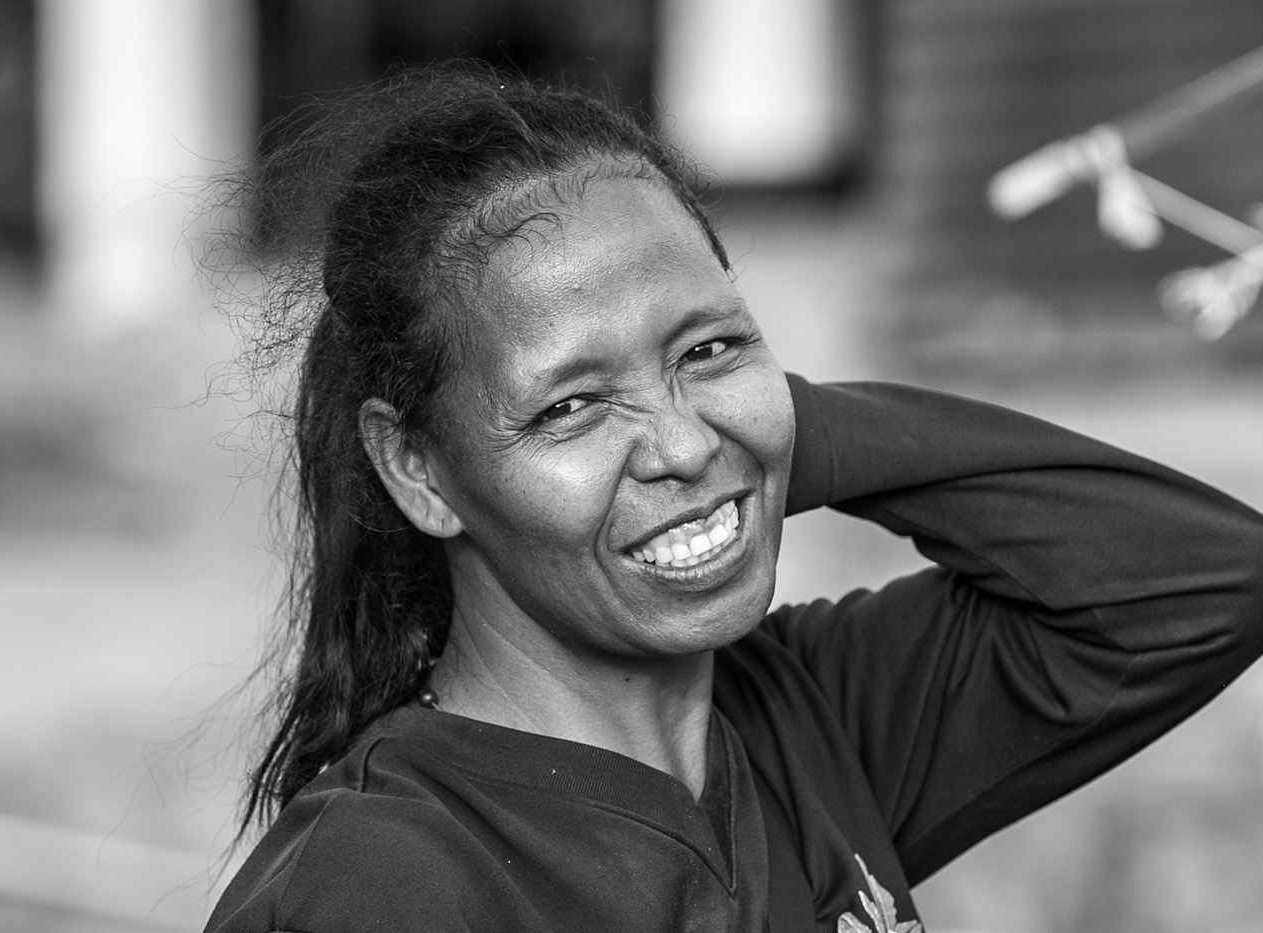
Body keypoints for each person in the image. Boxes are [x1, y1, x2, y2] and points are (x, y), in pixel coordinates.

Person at [203, 65, 1263, 933]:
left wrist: (776, 436)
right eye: (569, 407)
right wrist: (726, 421)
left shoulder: (811, 715)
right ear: (418, 470)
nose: (678, 443)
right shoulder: (382, 883)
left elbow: (1203, 580)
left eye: (709, 348)